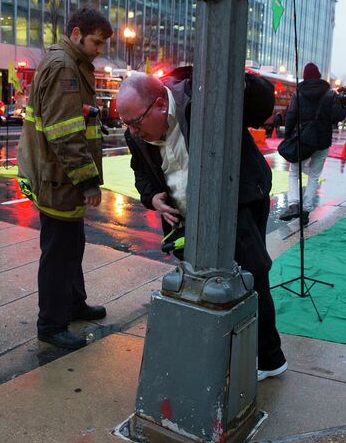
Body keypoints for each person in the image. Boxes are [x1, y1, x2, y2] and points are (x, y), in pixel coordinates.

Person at [117, 69, 289, 382]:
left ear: (159, 105)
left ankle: (269, 358)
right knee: (202, 281)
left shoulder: (202, 99)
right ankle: (221, 347)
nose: (132, 130)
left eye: (136, 122)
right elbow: (140, 171)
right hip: (186, 214)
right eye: (126, 124)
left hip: (239, 198)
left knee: (251, 275)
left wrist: (243, 82)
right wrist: (152, 196)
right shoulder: (136, 134)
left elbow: (260, 108)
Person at [16, 8, 113, 350]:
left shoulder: (72, 63)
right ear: (76, 34)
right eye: (95, 42)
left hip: (60, 176)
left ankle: (73, 304)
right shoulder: (64, 68)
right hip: (59, 177)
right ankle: (51, 324)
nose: (99, 50)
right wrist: (87, 180)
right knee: (59, 252)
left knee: (71, 245)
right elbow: (64, 133)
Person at [280, 63, 346, 224]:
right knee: (314, 175)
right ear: (318, 76)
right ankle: (306, 210)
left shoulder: (298, 93)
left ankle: (294, 204)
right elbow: (337, 117)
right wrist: (342, 103)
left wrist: (288, 135)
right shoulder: (330, 94)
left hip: (303, 140)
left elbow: (291, 116)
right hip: (322, 140)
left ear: (305, 76)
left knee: (294, 172)